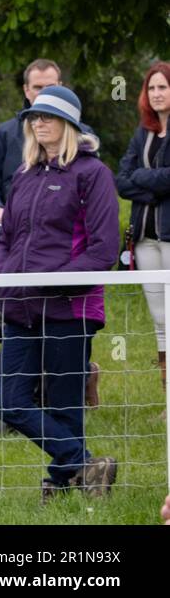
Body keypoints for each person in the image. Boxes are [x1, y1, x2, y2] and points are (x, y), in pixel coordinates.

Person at [0, 86, 120, 503]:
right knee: (10, 402)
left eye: (46, 116)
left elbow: (104, 249)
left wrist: (53, 281)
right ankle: (83, 464)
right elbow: (6, 239)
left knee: (66, 403)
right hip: (19, 306)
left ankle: (61, 484)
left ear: (68, 125)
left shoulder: (92, 174)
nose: (37, 122)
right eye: (33, 117)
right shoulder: (24, 175)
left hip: (70, 307)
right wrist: (4, 280)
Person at [0, 59, 97, 222]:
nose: (44, 93)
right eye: (38, 87)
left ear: (60, 86)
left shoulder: (83, 134)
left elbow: (94, 191)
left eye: (51, 87)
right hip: (13, 226)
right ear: (26, 90)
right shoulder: (6, 133)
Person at [114, 61, 170, 409]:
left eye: (163, 87)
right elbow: (121, 179)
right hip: (145, 238)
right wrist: (155, 187)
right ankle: (168, 401)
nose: (157, 93)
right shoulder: (142, 133)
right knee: (159, 319)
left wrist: (144, 181)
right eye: (152, 88)